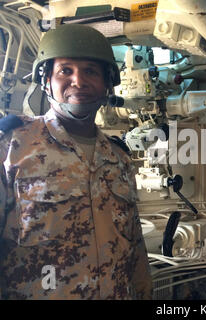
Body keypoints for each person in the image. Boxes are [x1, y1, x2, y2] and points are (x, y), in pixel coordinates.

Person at [0, 24, 152, 299]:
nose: (78, 82)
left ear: (107, 82)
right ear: (46, 80)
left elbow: (134, 247)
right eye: (65, 70)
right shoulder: (12, 147)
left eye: (90, 71)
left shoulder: (118, 158)